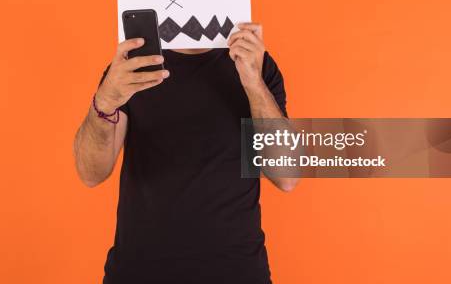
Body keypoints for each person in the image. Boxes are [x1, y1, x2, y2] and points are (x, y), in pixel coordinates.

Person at [73, 22, 298, 284]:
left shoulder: (256, 63)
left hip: (237, 272)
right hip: (139, 272)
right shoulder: (135, 66)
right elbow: (91, 173)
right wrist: (104, 101)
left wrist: (253, 82)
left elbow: (287, 176)